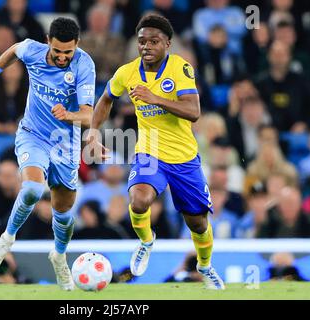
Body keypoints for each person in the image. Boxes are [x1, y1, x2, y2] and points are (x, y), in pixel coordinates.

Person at [86, 14, 225, 289]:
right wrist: (92, 131)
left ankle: (205, 266)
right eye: (141, 42)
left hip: (184, 157)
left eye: (154, 41)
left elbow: (194, 111)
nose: (146, 46)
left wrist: (155, 99)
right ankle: (146, 241)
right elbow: (105, 100)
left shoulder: (180, 68)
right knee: (139, 200)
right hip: (149, 153)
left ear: (167, 44)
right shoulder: (126, 72)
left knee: (197, 223)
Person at [0, 17, 96, 291]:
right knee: (31, 189)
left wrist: (70, 115)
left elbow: (89, 115)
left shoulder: (84, 64)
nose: (64, 57)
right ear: (47, 43)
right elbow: (13, 50)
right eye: (58, 51)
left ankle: (60, 256)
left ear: (76, 45)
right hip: (34, 135)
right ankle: (6, 239)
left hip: (65, 143)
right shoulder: (33, 50)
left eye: (69, 51)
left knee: (62, 213)